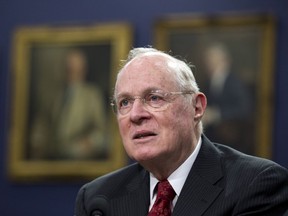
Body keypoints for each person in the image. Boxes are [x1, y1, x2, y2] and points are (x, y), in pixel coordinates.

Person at [75, 47, 288, 216]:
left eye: (154, 98)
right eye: (124, 102)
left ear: (196, 107)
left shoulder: (257, 185)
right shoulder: (96, 198)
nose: (135, 114)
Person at [201, 42, 252, 153]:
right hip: (214, 140)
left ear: (224, 61)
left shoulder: (234, 83)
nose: (209, 63)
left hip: (233, 141)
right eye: (208, 60)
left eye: (212, 59)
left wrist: (216, 114)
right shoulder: (208, 82)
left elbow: (243, 109)